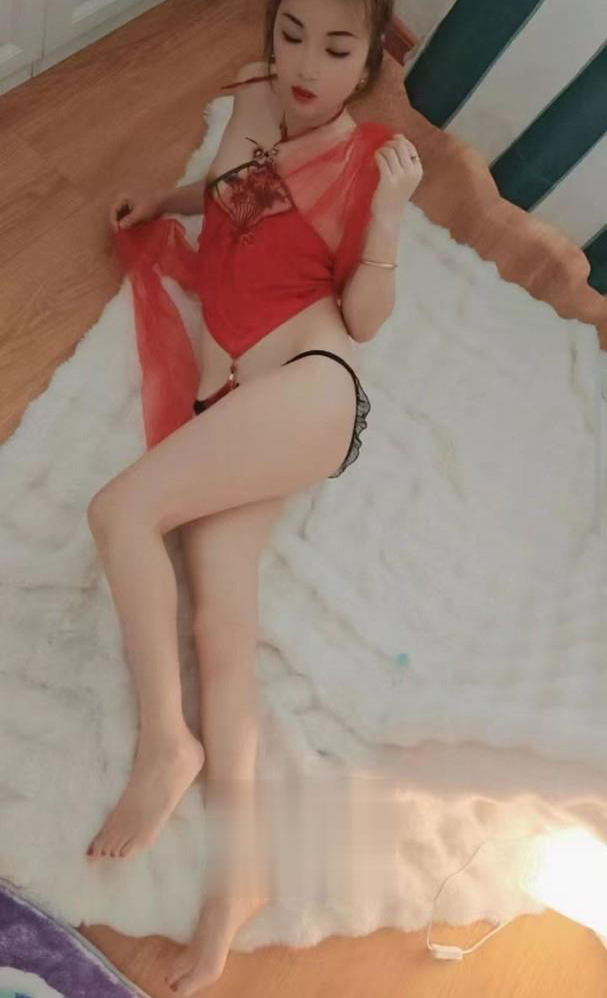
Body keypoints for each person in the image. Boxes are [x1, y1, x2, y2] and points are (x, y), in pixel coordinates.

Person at [86, 0, 423, 992]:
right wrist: (164, 201)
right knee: (219, 629)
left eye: (335, 47)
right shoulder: (250, 101)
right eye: (291, 33)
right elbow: (230, 196)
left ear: (368, 61)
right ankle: (235, 886)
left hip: (312, 385)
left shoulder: (370, 159)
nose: (305, 64)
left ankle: (166, 744)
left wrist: (388, 221)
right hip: (238, 397)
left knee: (120, 511)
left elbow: (364, 319)